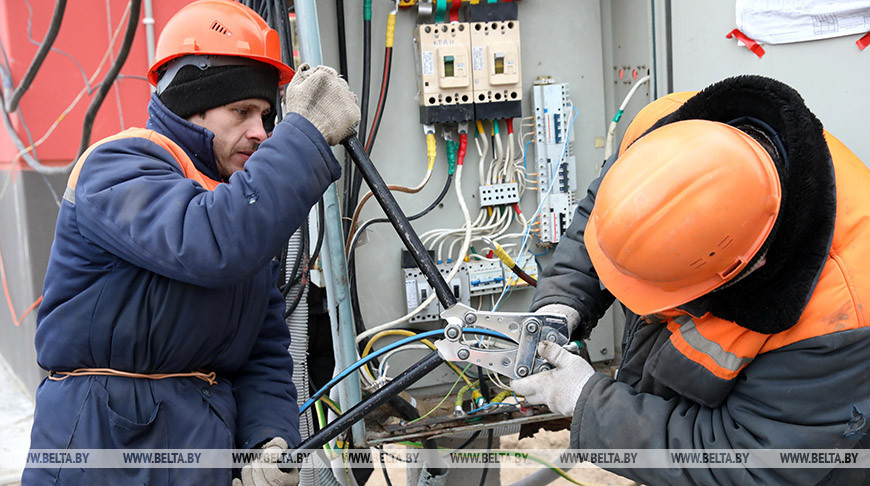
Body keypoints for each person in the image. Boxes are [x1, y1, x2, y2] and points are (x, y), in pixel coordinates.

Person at [23, 1, 359, 485]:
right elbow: (212, 243)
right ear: (189, 101)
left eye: (267, 116)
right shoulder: (116, 166)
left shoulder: (234, 201)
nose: (260, 133)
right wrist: (303, 136)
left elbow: (263, 348)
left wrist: (267, 440)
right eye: (242, 111)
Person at [512, 75, 870, 485]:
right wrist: (564, 302)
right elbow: (611, 218)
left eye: (660, 291)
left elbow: (747, 464)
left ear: (741, 267)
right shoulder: (667, 133)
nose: (645, 308)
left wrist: (588, 402)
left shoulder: (844, 314)